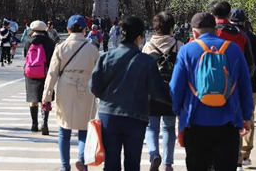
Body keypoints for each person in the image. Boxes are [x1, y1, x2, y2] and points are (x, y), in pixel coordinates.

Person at [169, 12, 253, 171]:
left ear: (194, 32)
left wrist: (178, 113)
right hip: (228, 122)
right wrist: (246, 116)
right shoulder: (233, 49)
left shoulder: (187, 51)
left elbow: (175, 88)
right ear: (216, 29)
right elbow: (245, 86)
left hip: (195, 122)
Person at [90, 16, 171, 171]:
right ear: (140, 37)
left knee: (111, 163)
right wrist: (177, 102)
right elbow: (157, 92)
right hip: (135, 116)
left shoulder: (106, 57)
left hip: (108, 115)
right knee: (132, 163)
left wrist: (108, 98)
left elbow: (94, 86)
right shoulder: (146, 62)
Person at [42, 15, 100, 171]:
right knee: (84, 129)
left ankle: (65, 165)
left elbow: (52, 73)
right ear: (84, 29)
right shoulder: (92, 49)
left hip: (65, 88)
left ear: (67, 29)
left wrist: (47, 96)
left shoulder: (60, 47)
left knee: (64, 129)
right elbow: (99, 74)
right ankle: (81, 160)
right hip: (86, 89)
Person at [142, 12, 184, 171]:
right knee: (168, 128)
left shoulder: (148, 46)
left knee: (151, 127)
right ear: (172, 28)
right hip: (171, 93)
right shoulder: (179, 46)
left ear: (155, 27)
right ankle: (168, 163)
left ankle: (154, 155)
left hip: (151, 93)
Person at [230, 11, 256, 170]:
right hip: (251, 86)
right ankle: (245, 154)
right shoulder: (253, 38)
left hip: (230, 85)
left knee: (232, 118)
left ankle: (235, 154)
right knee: (248, 118)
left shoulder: (225, 35)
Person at [24, 20, 55, 135]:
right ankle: (44, 123)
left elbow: (25, 56)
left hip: (31, 73)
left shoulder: (28, 41)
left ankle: (34, 124)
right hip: (45, 72)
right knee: (45, 98)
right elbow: (52, 58)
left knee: (33, 100)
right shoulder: (49, 42)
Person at [210, 0, 255, 76]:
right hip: (235, 79)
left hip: (213, 79)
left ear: (211, 15)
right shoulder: (241, 34)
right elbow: (250, 65)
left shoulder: (208, 34)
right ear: (229, 14)